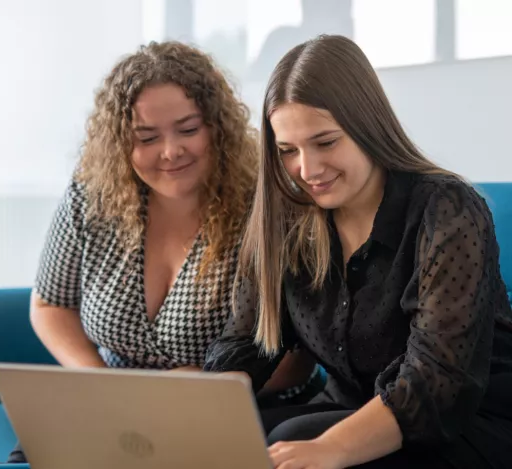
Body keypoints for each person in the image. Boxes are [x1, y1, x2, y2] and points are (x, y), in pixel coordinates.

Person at [204, 35, 512, 469]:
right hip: (351, 409)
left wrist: (331, 449)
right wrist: (206, 413)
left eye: (326, 142)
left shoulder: (447, 209)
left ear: (368, 125)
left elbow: (438, 383)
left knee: (290, 437)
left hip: (465, 421)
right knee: (237, 441)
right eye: (288, 151)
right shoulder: (287, 220)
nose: (307, 170)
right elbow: (245, 346)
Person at [7, 41, 322, 463]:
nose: (170, 151)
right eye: (147, 137)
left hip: (245, 407)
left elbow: (301, 356)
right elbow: (49, 304)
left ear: (217, 126)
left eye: (188, 130)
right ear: (121, 141)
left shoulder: (268, 208)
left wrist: (212, 384)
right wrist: (102, 387)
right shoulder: (91, 196)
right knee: (31, 455)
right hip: (116, 404)